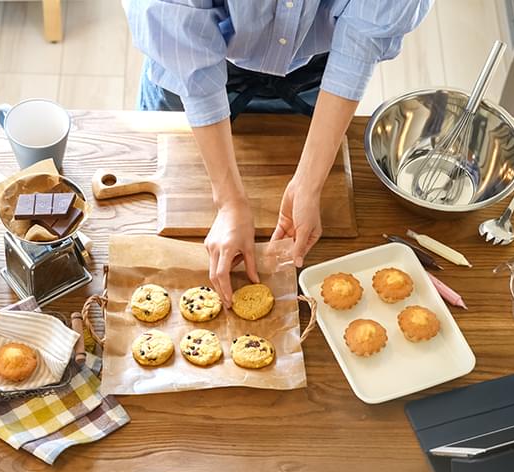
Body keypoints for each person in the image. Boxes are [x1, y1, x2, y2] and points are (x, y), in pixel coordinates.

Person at [125, 0, 431, 307]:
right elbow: (183, 44)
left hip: (319, 75)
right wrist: (229, 200)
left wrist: (308, 185)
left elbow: (363, 37)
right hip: (189, 75)